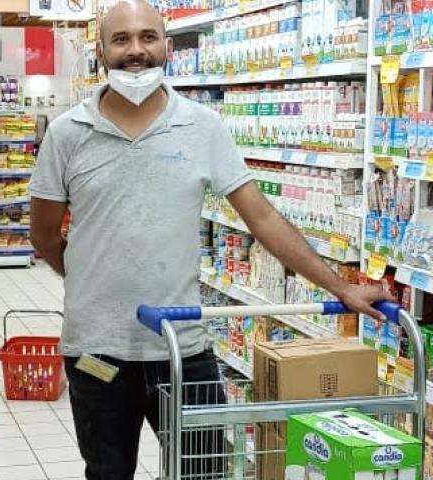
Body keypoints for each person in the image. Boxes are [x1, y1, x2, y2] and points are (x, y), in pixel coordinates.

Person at [29, 1, 395, 479]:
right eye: (121, 39)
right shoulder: (66, 134)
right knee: (107, 472)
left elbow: (262, 217)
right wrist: (91, 279)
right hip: (97, 351)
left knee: (205, 472)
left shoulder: (203, 126)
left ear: (167, 47)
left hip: (183, 346)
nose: (136, 50)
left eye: (147, 37)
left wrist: (340, 287)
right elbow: (43, 235)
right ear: (100, 52)